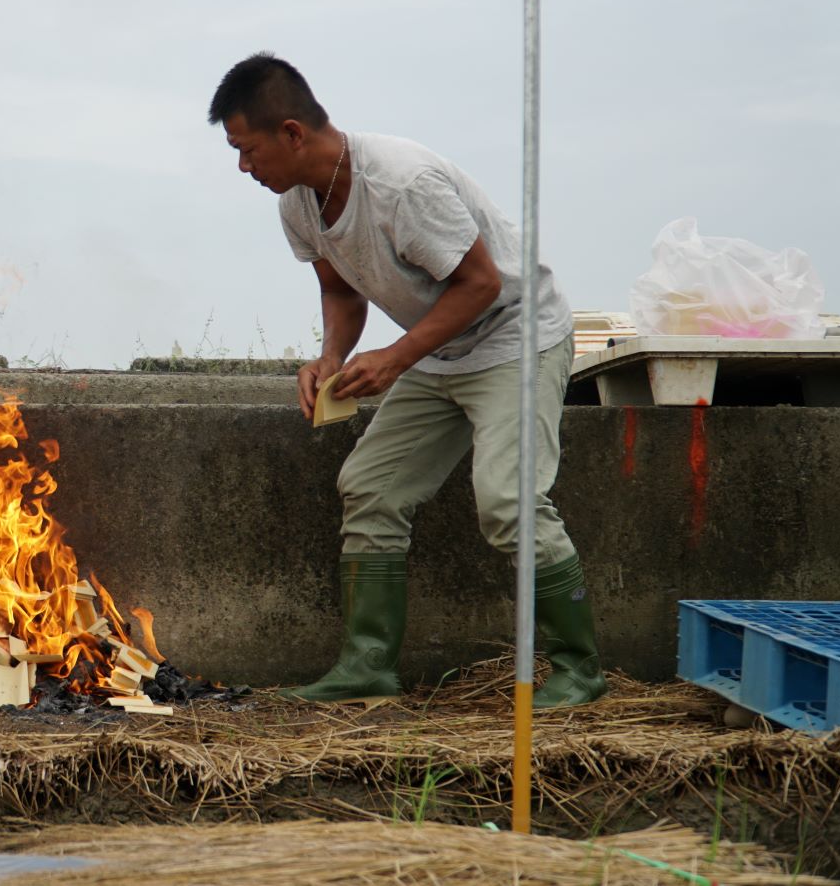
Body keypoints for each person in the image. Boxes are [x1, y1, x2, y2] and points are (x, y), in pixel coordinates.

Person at [208, 53, 606, 708]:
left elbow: (478, 284)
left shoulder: (400, 183)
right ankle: (367, 668)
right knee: (369, 486)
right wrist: (330, 356)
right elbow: (339, 288)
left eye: (246, 150)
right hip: (438, 349)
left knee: (508, 501)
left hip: (512, 337)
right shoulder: (298, 203)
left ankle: (576, 671)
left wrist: (393, 358)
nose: (243, 168)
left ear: (290, 133)